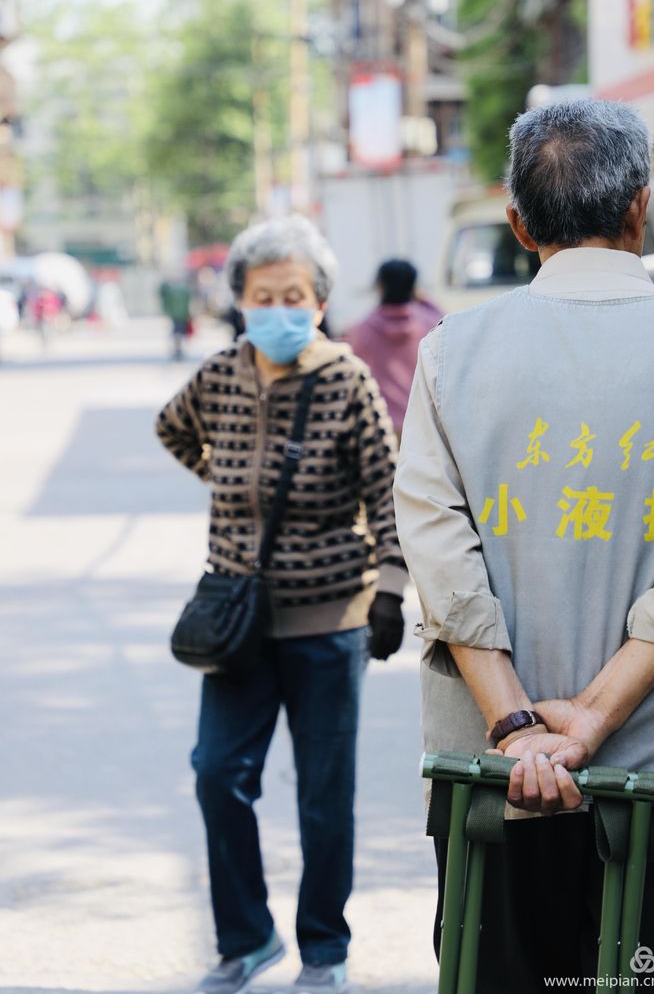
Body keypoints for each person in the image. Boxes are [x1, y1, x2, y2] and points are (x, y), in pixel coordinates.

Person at [393, 100, 654, 991]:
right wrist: (591, 718)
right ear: (640, 207)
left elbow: (441, 555)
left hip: (488, 783)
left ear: (518, 222)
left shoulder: (450, 356)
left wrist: (516, 724)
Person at [156, 215, 407, 994]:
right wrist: (238, 493)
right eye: (263, 296)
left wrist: (392, 589)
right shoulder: (220, 373)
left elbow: (388, 492)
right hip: (239, 619)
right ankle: (248, 936)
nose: (279, 308)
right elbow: (174, 430)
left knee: (324, 795)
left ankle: (324, 949)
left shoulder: (347, 377)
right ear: (238, 299)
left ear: (320, 301)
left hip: (330, 620)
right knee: (216, 773)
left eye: (293, 295)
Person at [348, 259, 441, 438]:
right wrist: (425, 299)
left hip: (381, 425)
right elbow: (447, 320)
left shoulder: (364, 330)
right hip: (422, 424)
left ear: (379, 286)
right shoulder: (429, 324)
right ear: (414, 287)